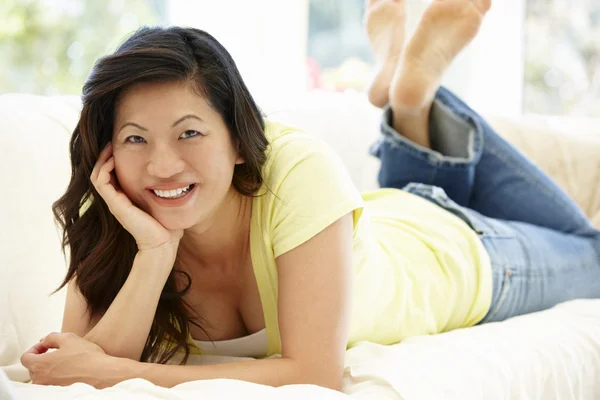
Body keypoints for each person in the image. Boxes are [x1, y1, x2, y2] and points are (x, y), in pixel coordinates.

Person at [21, 0, 599, 392]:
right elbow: (85, 364)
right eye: (135, 138)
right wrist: (153, 253)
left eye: (190, 132)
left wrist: (113, 371)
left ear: (241, 141)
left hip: (462, 256)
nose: (161, 162)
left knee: (592, 252)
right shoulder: (121, 203)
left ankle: (414, 100)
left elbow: (315, 375)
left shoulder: (298, 167)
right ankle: (411, 94)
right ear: (109, 150)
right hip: (386, 218)